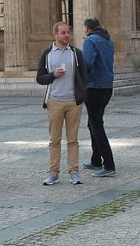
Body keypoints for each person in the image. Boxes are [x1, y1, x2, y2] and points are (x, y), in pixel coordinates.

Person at [36, 21, 88, 186]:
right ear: (55, 35)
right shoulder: (47, 53)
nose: (67, 35)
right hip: (54, 102)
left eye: (68, 32)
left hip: (74, 102)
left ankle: (74, 172)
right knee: (55, 140)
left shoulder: (75, 53)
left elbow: (84, 75)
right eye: (63, 33)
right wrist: (52, 75)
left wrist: (82, 95)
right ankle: (53, 173)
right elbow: (40, 78)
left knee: (73, 140)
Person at [81, 17, 116, 177]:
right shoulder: (108, 40)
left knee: (96, 126)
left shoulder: (90, 40)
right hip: (107, 86)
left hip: (94, 87)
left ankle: (108, 164)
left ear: (87, 28)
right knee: (93, 123)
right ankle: (96, 160)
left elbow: (87, 63)